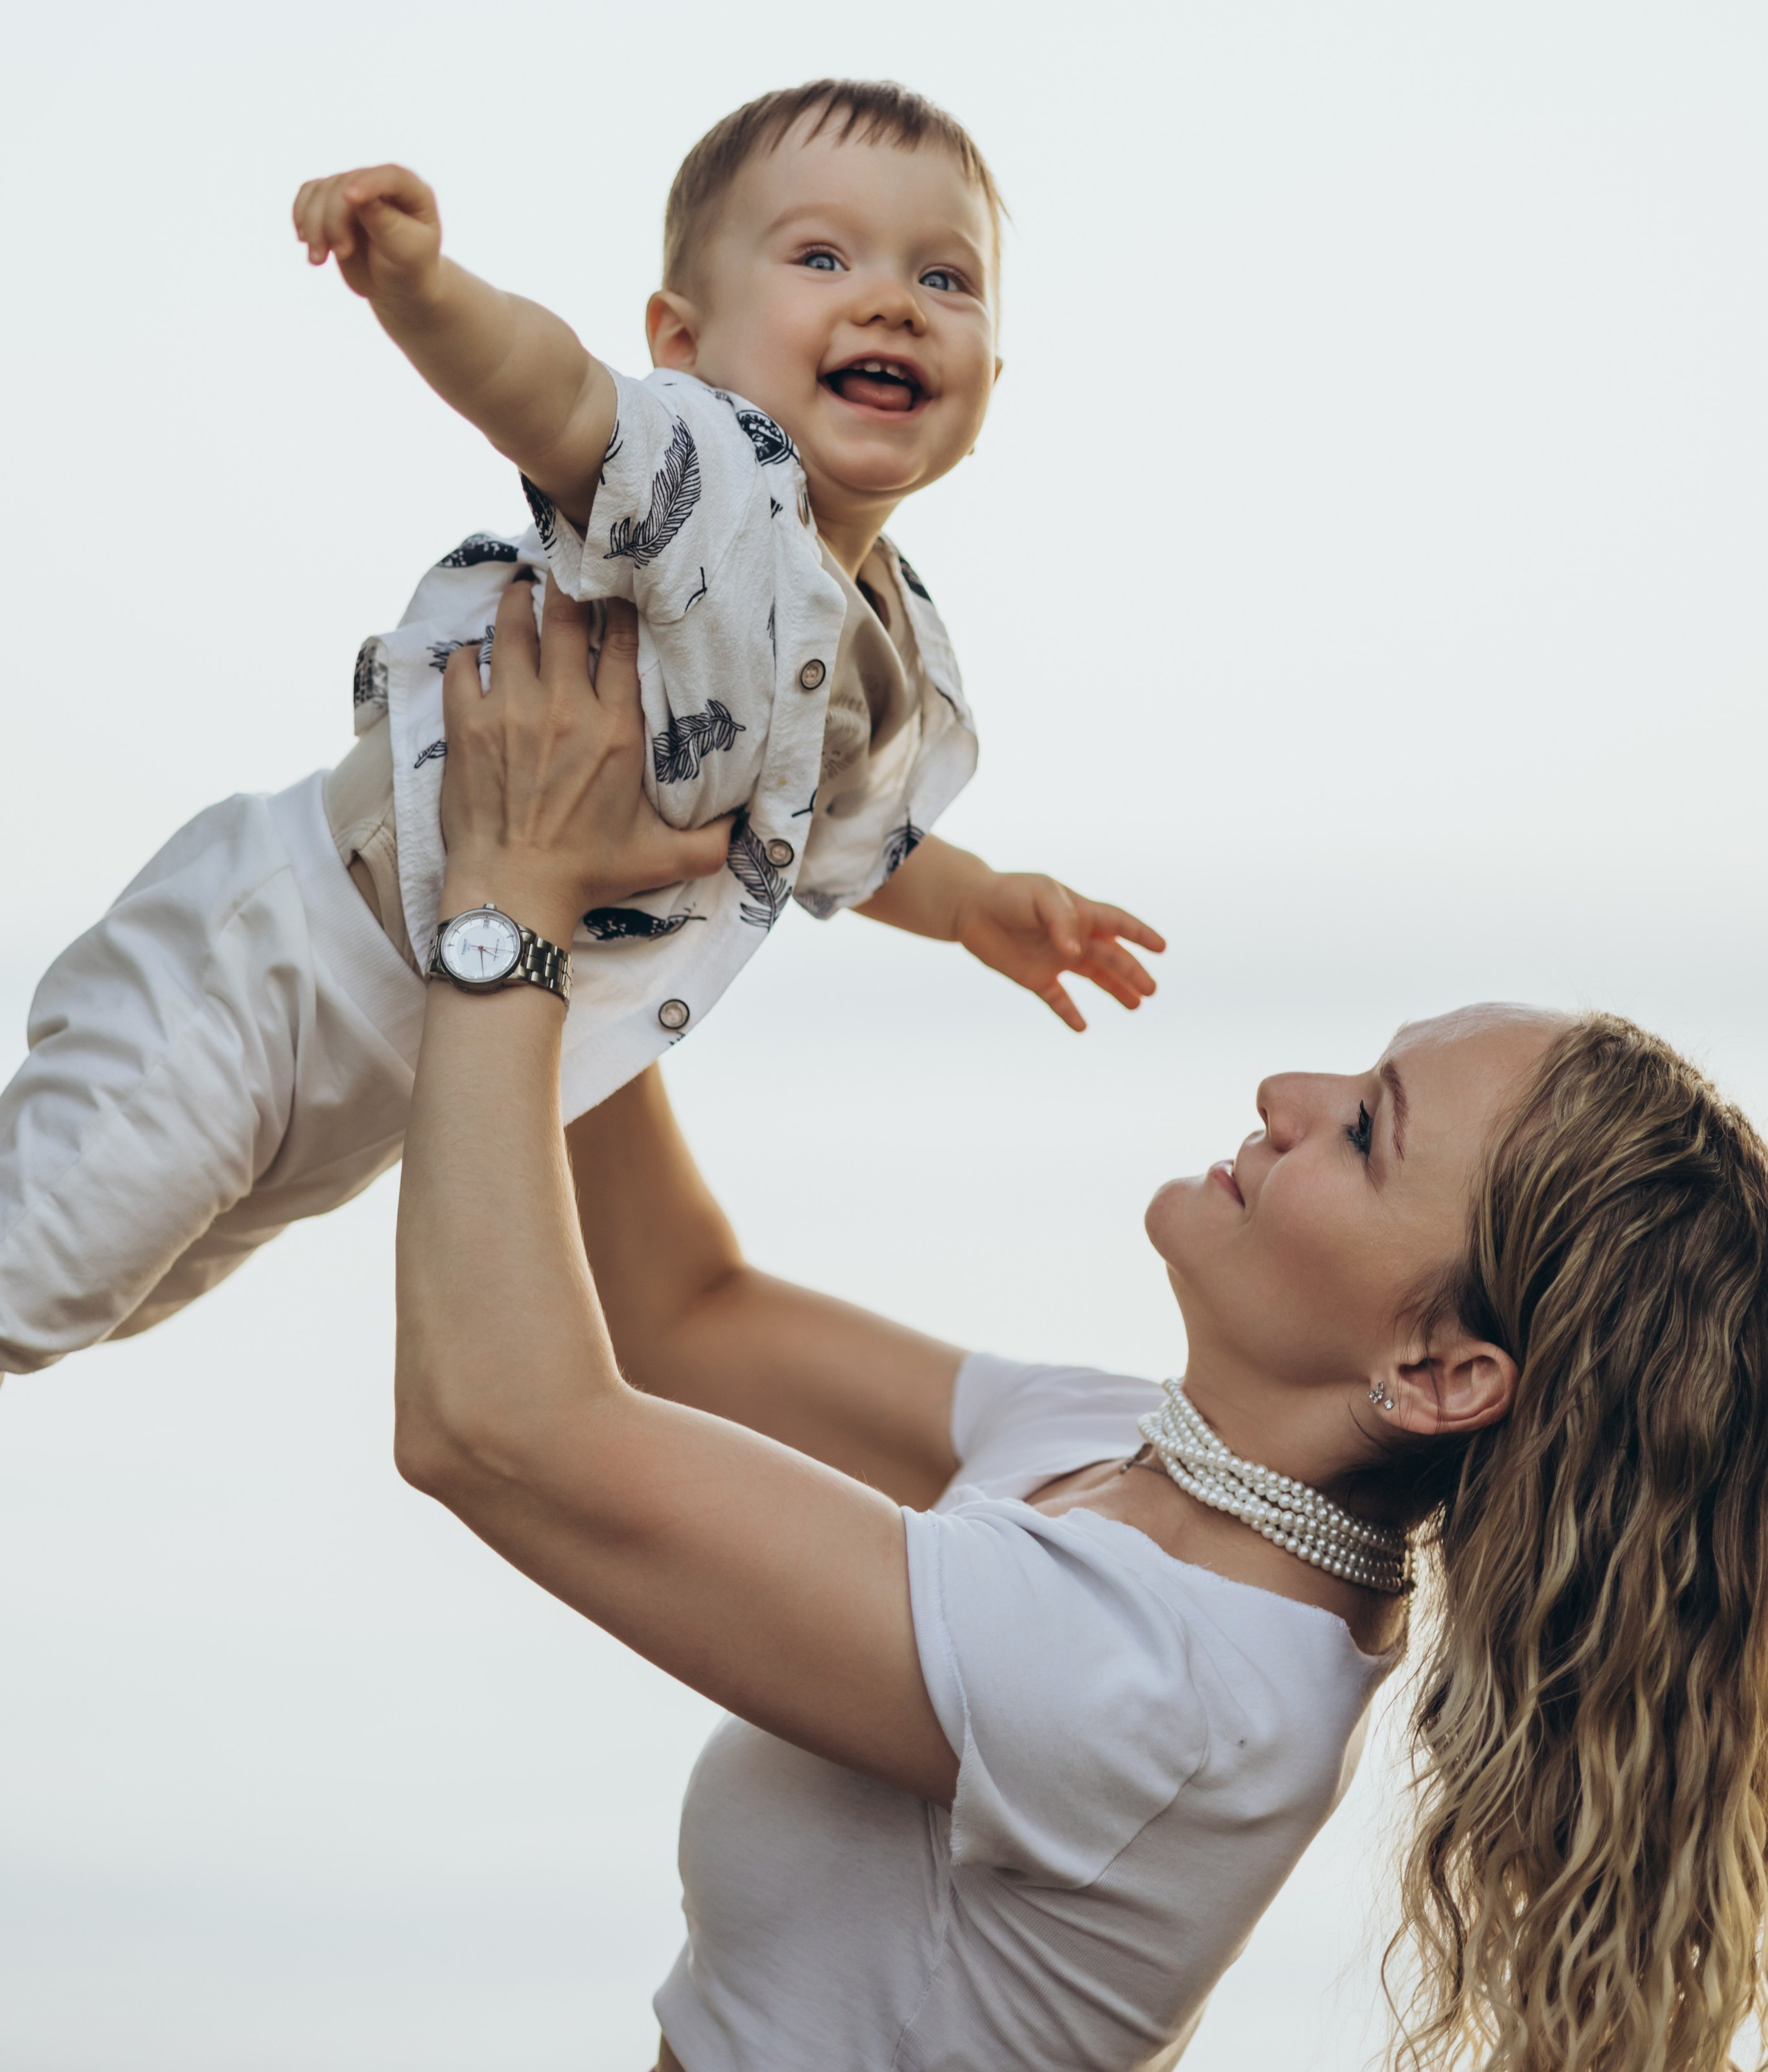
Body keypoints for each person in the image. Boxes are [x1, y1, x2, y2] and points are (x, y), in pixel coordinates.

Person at [396, 573, 1768, 2072]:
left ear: (1442, 1371)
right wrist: (601, 912)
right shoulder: (1139, 1464)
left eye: (1364, 1128)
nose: (1281, 1088)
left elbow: (496, 1429)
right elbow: (680, 1310)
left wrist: (498, 898)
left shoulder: (1153, 1679)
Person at [0, 79, 1161, 1379]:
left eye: (945, 279)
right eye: (823, 257)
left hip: (399, 1071)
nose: (892, 299)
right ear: (681, 338)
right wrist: (423, 292)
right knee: (27, 1282)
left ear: (991, 375)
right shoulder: (704, 469)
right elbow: (548, 392)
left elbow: (841, 841)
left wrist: (974, 904)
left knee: (91, 1304)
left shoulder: (883, 646)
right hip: (277, 960)